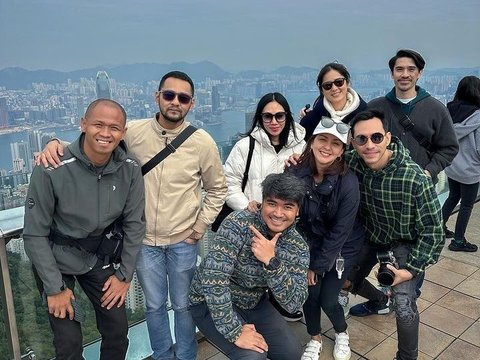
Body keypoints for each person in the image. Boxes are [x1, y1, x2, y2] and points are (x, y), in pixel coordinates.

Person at [38, 71, 227, 360]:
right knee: (153, 307)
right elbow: (98, 142)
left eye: (183, 97)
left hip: (183, 241)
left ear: (192, 104)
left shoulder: (202, 142)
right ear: (157, 97)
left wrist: (200, 227)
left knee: (183, 306)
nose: (175, 102)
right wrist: (55, 144)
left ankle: (187, 356)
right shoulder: (134, 131)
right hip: (142, 243)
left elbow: (217, 189)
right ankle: (163, 355)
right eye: (169, 95)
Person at [24, 99, 146, 360]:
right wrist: (55, 289)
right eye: (98, 125)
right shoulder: (52, 167)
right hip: (56, 259)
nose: (105, 133)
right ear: (83, 125)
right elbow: (34, 234)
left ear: (123, 133)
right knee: (68, 342)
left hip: (97, 258)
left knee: (117, 330)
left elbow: (135, 223)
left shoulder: (130, 168)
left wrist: (124, 276)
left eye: (114, 127)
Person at [355, 49, 458, 303]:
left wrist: (428, 170)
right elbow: (357, 136)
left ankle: (405, 296)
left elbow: (449, 147)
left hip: (417, 193)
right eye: (399, 69)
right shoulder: (378, 106)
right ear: (392, 73)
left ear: (419, 73)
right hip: (380, 197)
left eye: (411, 69)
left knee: (412, 254)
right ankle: (382, 300)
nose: (405, 74)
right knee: (363, 263)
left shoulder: (435, 108)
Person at [346, 110, 444, 360]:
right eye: (362, 139)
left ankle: (406, 357)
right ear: (353, 142)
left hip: (406, 241)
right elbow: (320, 160)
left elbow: (433, 231)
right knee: (344, 280)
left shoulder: (414, 177)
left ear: (388, 138)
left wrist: (410, 270)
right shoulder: (352, 163)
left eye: (376, 137)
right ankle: (379, 300)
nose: (369, 145)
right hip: (371, 234)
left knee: (403, 306)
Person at [188, 172, 309, 360]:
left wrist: (272, 262)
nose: (278, 213)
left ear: (297, 210)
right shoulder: (238, 224)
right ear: (262, 202)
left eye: (287, 207)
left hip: (253, 302)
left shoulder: (297, 246)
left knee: (291, 353)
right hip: (207, 301)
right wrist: (235, 331)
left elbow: (294, 303)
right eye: (272, 204)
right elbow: (214, 280)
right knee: (253, 356)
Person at [223, 92, 306, 321]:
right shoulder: (245, 146)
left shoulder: (301, 146)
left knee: (279, 269)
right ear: (259, 118)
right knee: (254, 272)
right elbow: (228, 182)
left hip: (287, 226)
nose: (274, 122)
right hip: (253, 224)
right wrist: (244, 204)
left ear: (288, 116)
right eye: (267, 116)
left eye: (280, 116)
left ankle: (278, 315)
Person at [288, 117, 364, 360]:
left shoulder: (348, 183)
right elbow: (287, 213)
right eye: (322, 139)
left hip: (341, 248)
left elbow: (340, 231)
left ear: (342, 151)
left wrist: (317, 266)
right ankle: (315, 337)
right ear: (312, 142)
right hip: (309, 245)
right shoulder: (295, 172)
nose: (327, 147)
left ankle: (342, 332)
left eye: (335, 143)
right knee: (310, 296)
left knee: (329, 300)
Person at [442, 76, 480, 252]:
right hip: (470, 170)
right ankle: (458, 241)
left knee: (452, 197)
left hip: (452, 166)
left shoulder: (449, 110)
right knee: (466, 205)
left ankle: (438, 228)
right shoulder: (478, 116)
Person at [299, 62, 367, 139]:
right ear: (322, 90)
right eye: (328, 85)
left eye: (339, 82)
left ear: (347, 82)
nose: (334, 88)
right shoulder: (311, 120)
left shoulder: (366, 114)